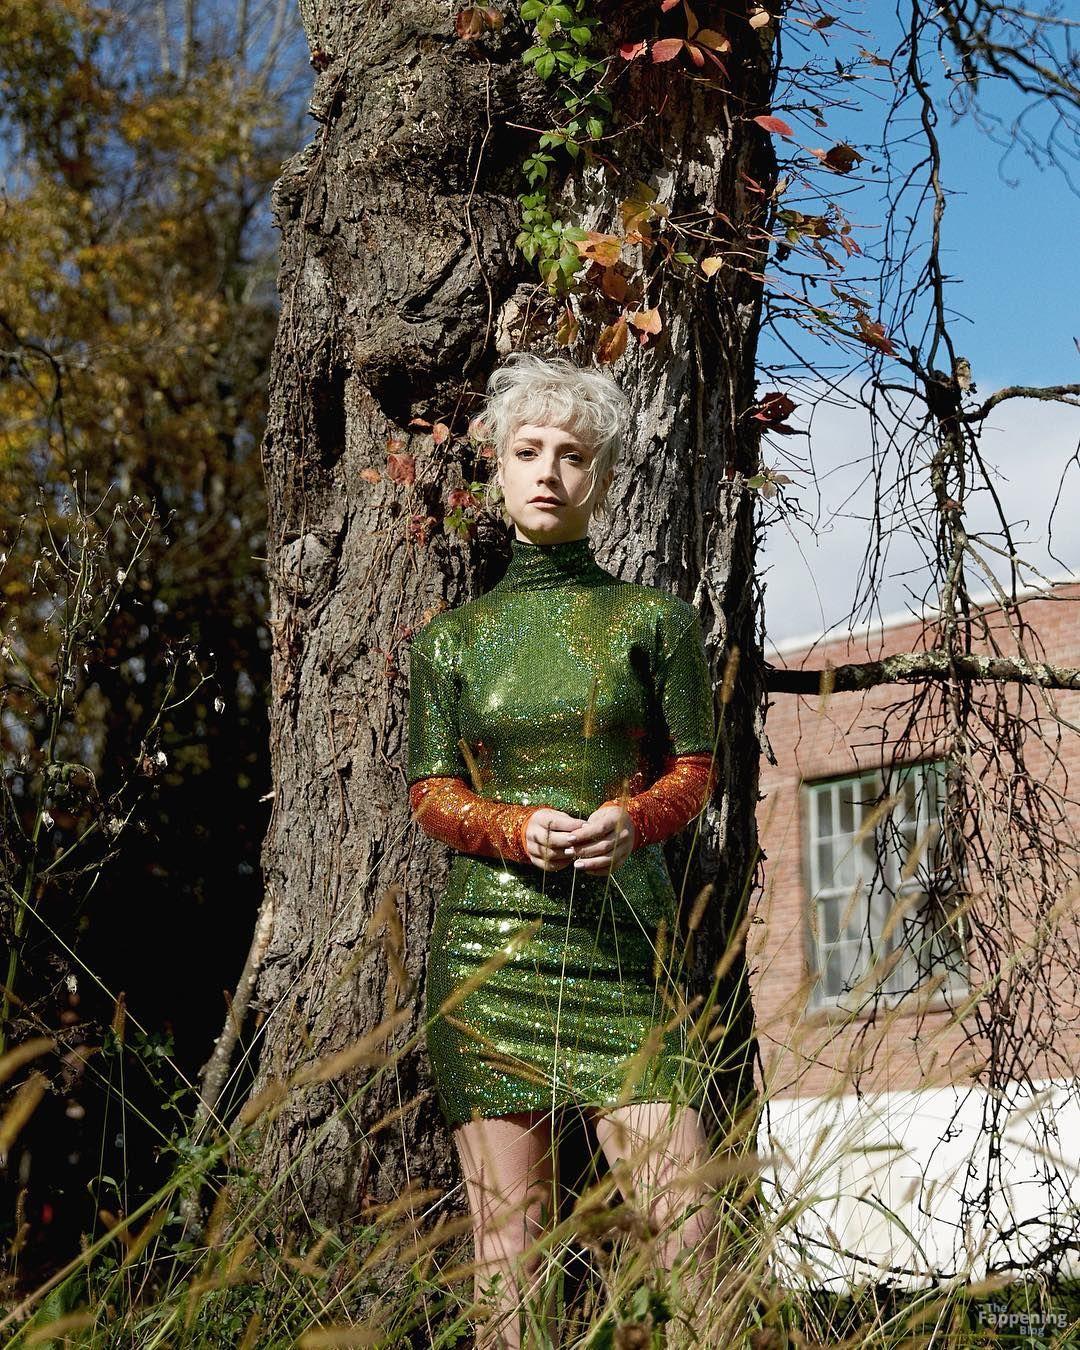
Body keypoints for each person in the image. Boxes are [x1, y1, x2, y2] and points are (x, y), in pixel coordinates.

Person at [406, 352, 723, 1348]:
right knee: (510, 1252)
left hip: (626, 954)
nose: (549, 471)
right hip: (489, 960)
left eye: (574, 455)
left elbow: (695, 771)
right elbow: (429, 794)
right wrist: (513, 826)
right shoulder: (450, 641)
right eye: (529, 451)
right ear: (496, 468)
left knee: (689, 1233)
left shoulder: (654, 621)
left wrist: (634, 819)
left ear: (604, 478)